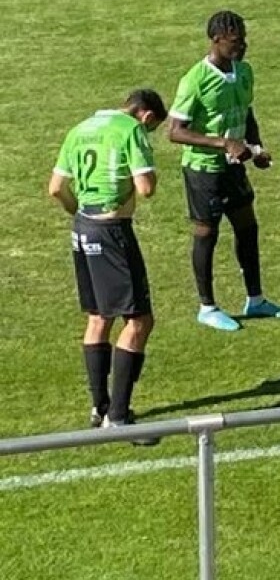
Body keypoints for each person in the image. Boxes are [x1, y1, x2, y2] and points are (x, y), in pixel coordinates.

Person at [48, 90, 167, 444]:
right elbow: (145, 188)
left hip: (83, 230)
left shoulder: (80, 128)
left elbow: (56, 188)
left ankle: (99, 407)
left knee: (99, 317)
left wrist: (78, 212)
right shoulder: (130, 130)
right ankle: (117, 418)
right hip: (113, 233)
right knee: (139, 320)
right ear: (145, 116)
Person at [167, 10, 280, 331]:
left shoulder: (244, 71)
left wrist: (256, 147)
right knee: (206, 234)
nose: (243, 46)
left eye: (245, 40)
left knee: (247, 227)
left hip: (234, 167)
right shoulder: (195, 79)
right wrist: (224, 143)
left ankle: (256, 299)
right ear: (216, 40)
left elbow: (246, 112)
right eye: (236, 42)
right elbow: (175, 132)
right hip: (203, 171)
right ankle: (207, 306)